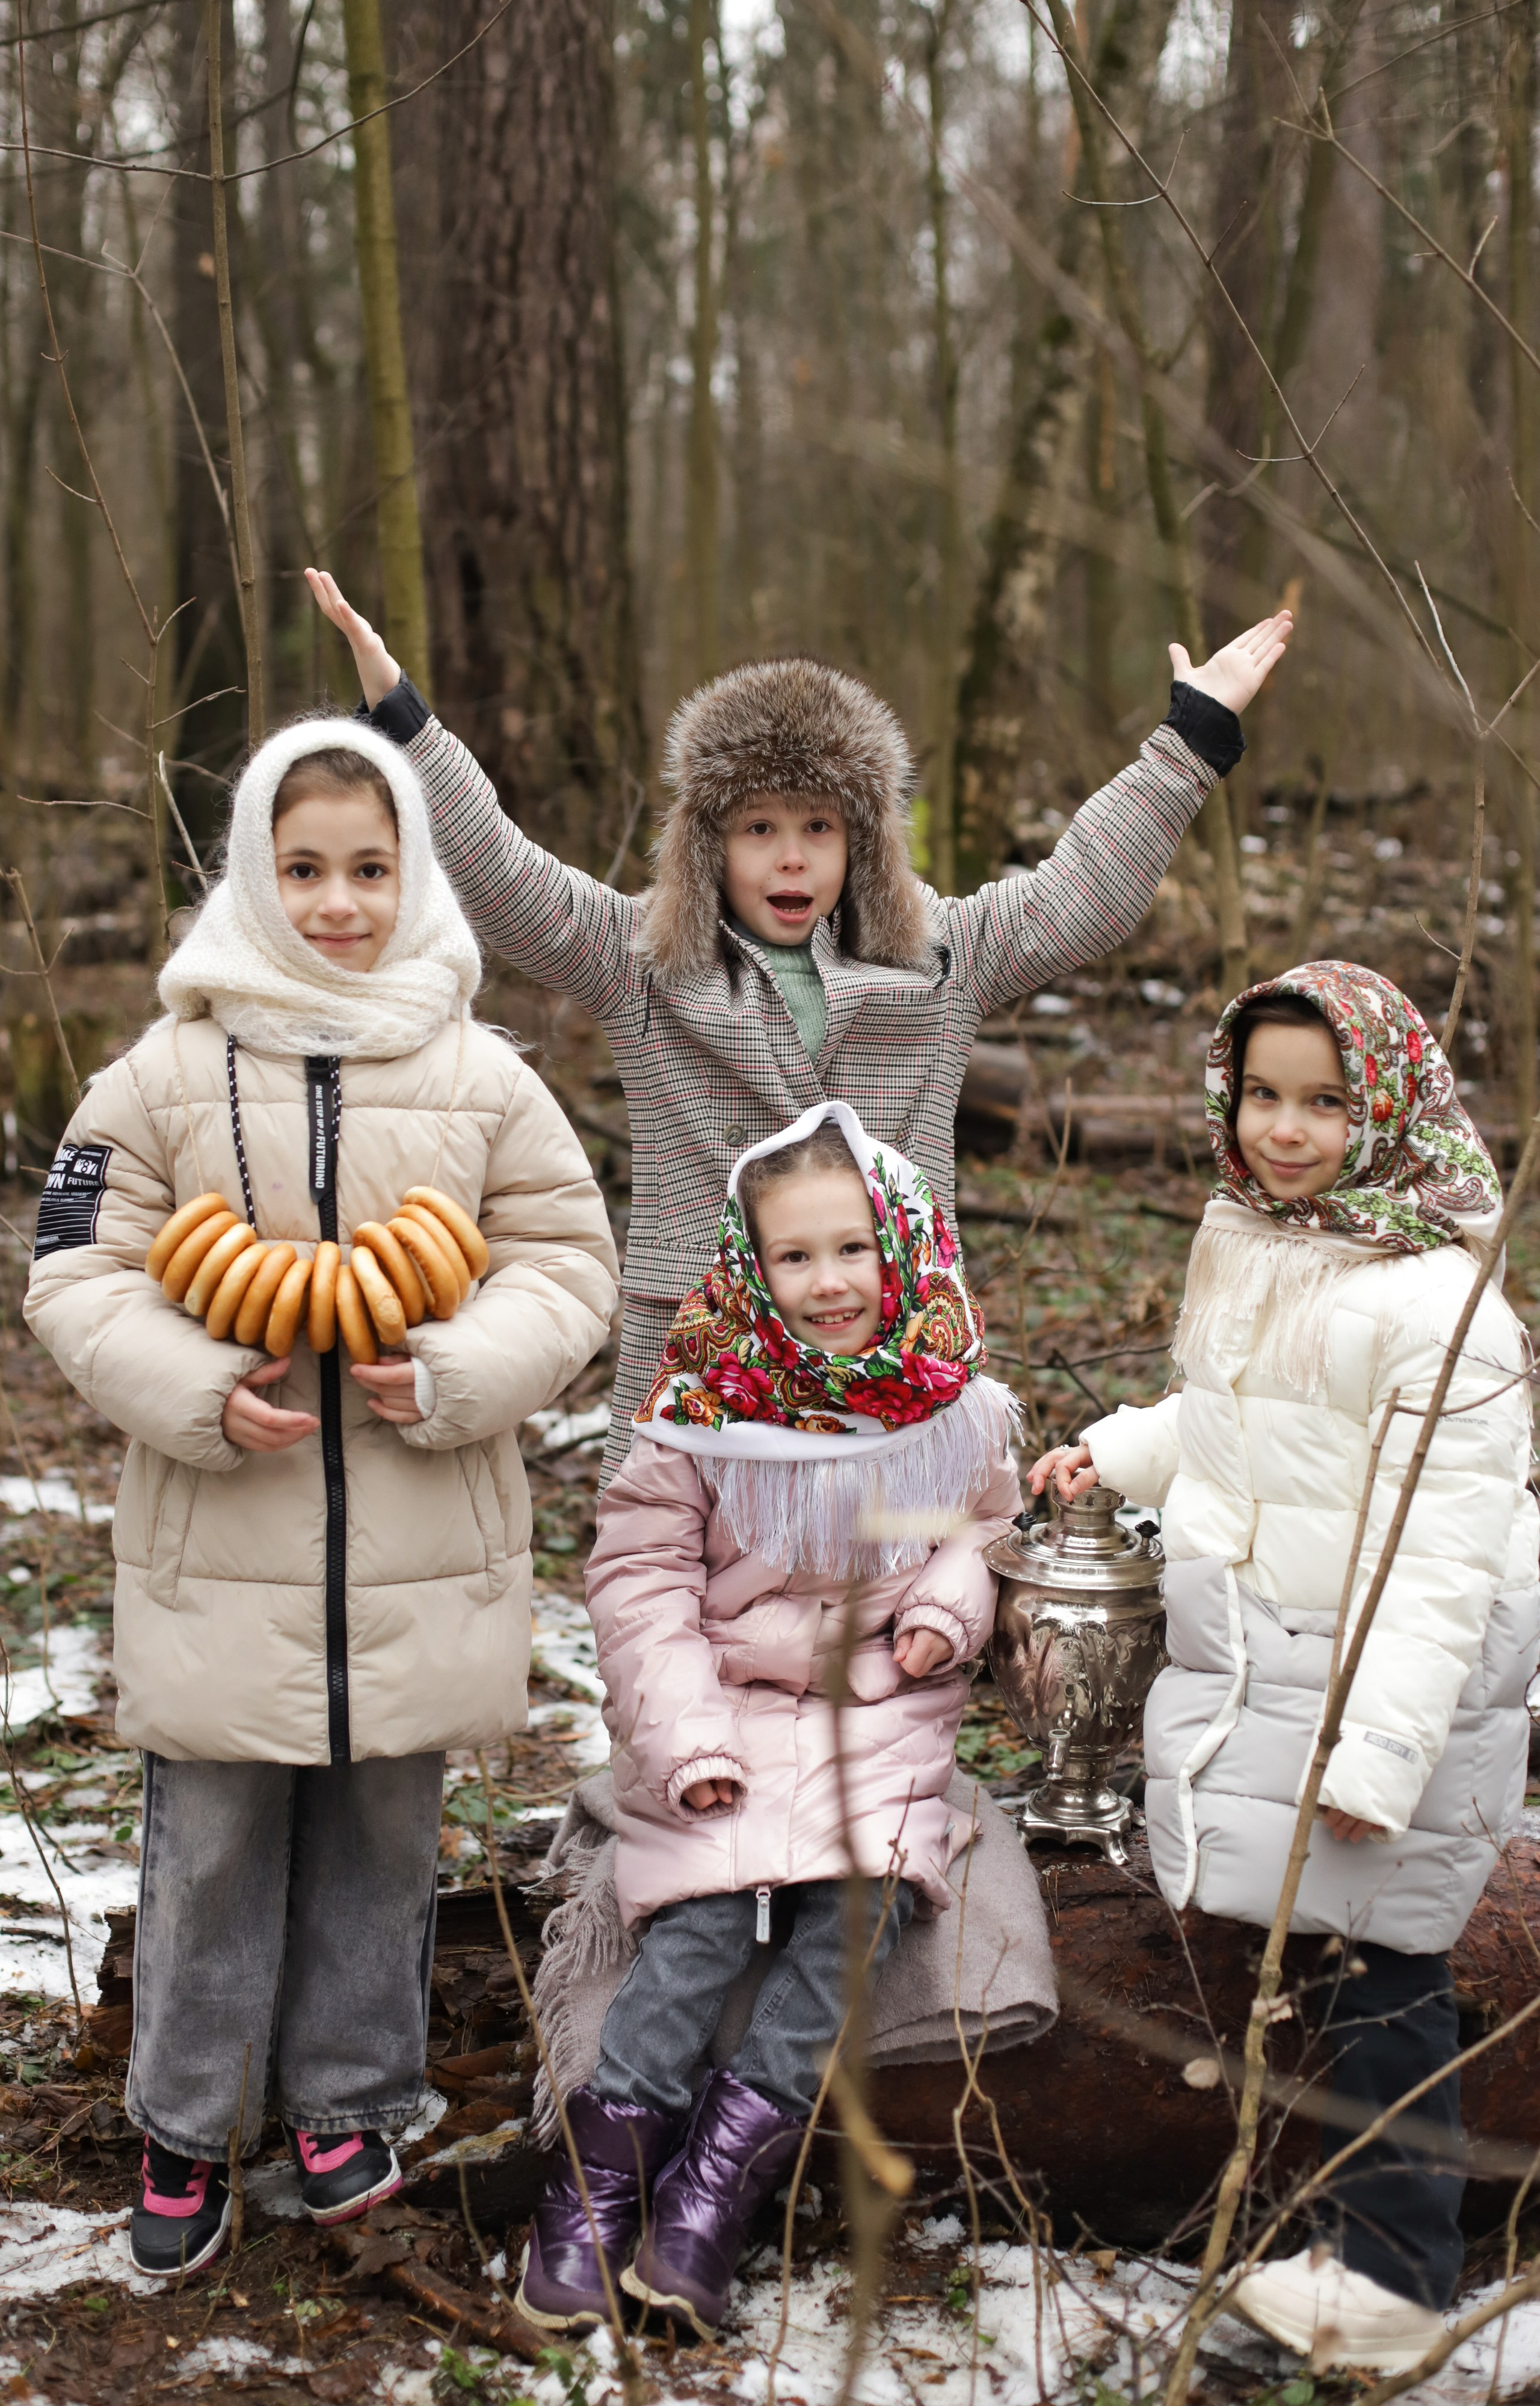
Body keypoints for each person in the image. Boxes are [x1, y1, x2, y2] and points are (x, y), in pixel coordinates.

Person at [26, 719, 618, 2278]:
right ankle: (185, 2117)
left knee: (383, 1829)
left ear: (414, 874)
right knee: (211, 1836)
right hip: (220, 1536)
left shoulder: (481, 1072)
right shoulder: (166, 1068)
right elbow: (76, 1268)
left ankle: (351, 2098)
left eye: (369, 867)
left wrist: (466, 1366)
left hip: (423, 1536)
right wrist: (192, 1386)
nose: (338, 901)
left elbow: (568, 1262)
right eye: (303, 869)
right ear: (251, 871)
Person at [306, 565, 1292, 1479]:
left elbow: (1079, 898)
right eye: (759, 829)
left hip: (892, 1347)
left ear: (861, 842)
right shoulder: (643, 963)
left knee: (898, 1584)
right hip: (699, 1355)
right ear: (709, 845)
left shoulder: (940, 959)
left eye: (819, 827)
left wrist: (1188, 741)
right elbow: (507, 877)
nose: (791, 858)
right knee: (676, 1583)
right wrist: (405, 722)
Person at [1032, 963, 1538, 2375]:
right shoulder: (1259, 1237)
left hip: (1384, 1678)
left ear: (1387, 1108)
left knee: (1380, 1968)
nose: (1284, 1128)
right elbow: (1232, 1411)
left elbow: (1441, 1558)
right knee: (1311, 1955)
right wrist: (1119, 1450)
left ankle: (1392, 2275)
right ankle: (1322, 2228)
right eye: (1261, 1093)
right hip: (1275, 1656)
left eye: (1323, 1101)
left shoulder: (1438, 1301)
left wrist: (1380, 1752)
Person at [516, 1102, 1024, 2339]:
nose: (828, 1281)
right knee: (696, 1924)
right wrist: (685, 1737)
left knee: (860, 1910)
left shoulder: (956, 1405)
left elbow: (984, 1532)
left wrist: (944, 1614)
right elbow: (640, 1580)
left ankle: (714, 2185)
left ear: (902, 1246)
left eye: (853, 1248)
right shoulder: (699, 1409)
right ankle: (594, 2188)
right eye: (794, 1255)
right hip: (725, 1706)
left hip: (879, 1708)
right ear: (750, 1265)